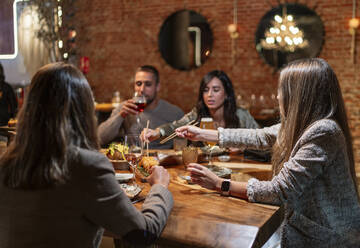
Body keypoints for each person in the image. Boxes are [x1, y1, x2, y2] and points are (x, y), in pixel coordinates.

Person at [175, 58, 360, 247]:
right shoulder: (304, 125)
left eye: (282, 90)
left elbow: (279, 191)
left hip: (329, 235)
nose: (278, 96)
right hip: (310, 227)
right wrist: (202, 133)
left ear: (301, 94)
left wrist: (219, 184)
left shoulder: (324, 131)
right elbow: (259, 137)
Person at [0, 63, 174, 248]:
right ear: (83, 107)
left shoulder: (7, 162)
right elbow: (143, 234)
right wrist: (160, 186)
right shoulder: (87, 166)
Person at [141, 70, 259, 146]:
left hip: (238, 168)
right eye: (206, 90)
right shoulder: (198, 113)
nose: (210, 95)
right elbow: (176, 126)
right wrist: (156, 132)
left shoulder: (241, 115)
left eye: (216, 90)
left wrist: (243, 148)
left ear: (227, 94)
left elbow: (262, 141)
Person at [98, 65, 184, 149]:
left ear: (157, 87)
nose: (142, 89)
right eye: (138, 84)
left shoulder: (174, 113)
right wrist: (121, 115)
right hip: (134, 160)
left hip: (165, 161)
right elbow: (100, 138)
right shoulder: (125, 108)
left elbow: (183, 145)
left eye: (148, 84)